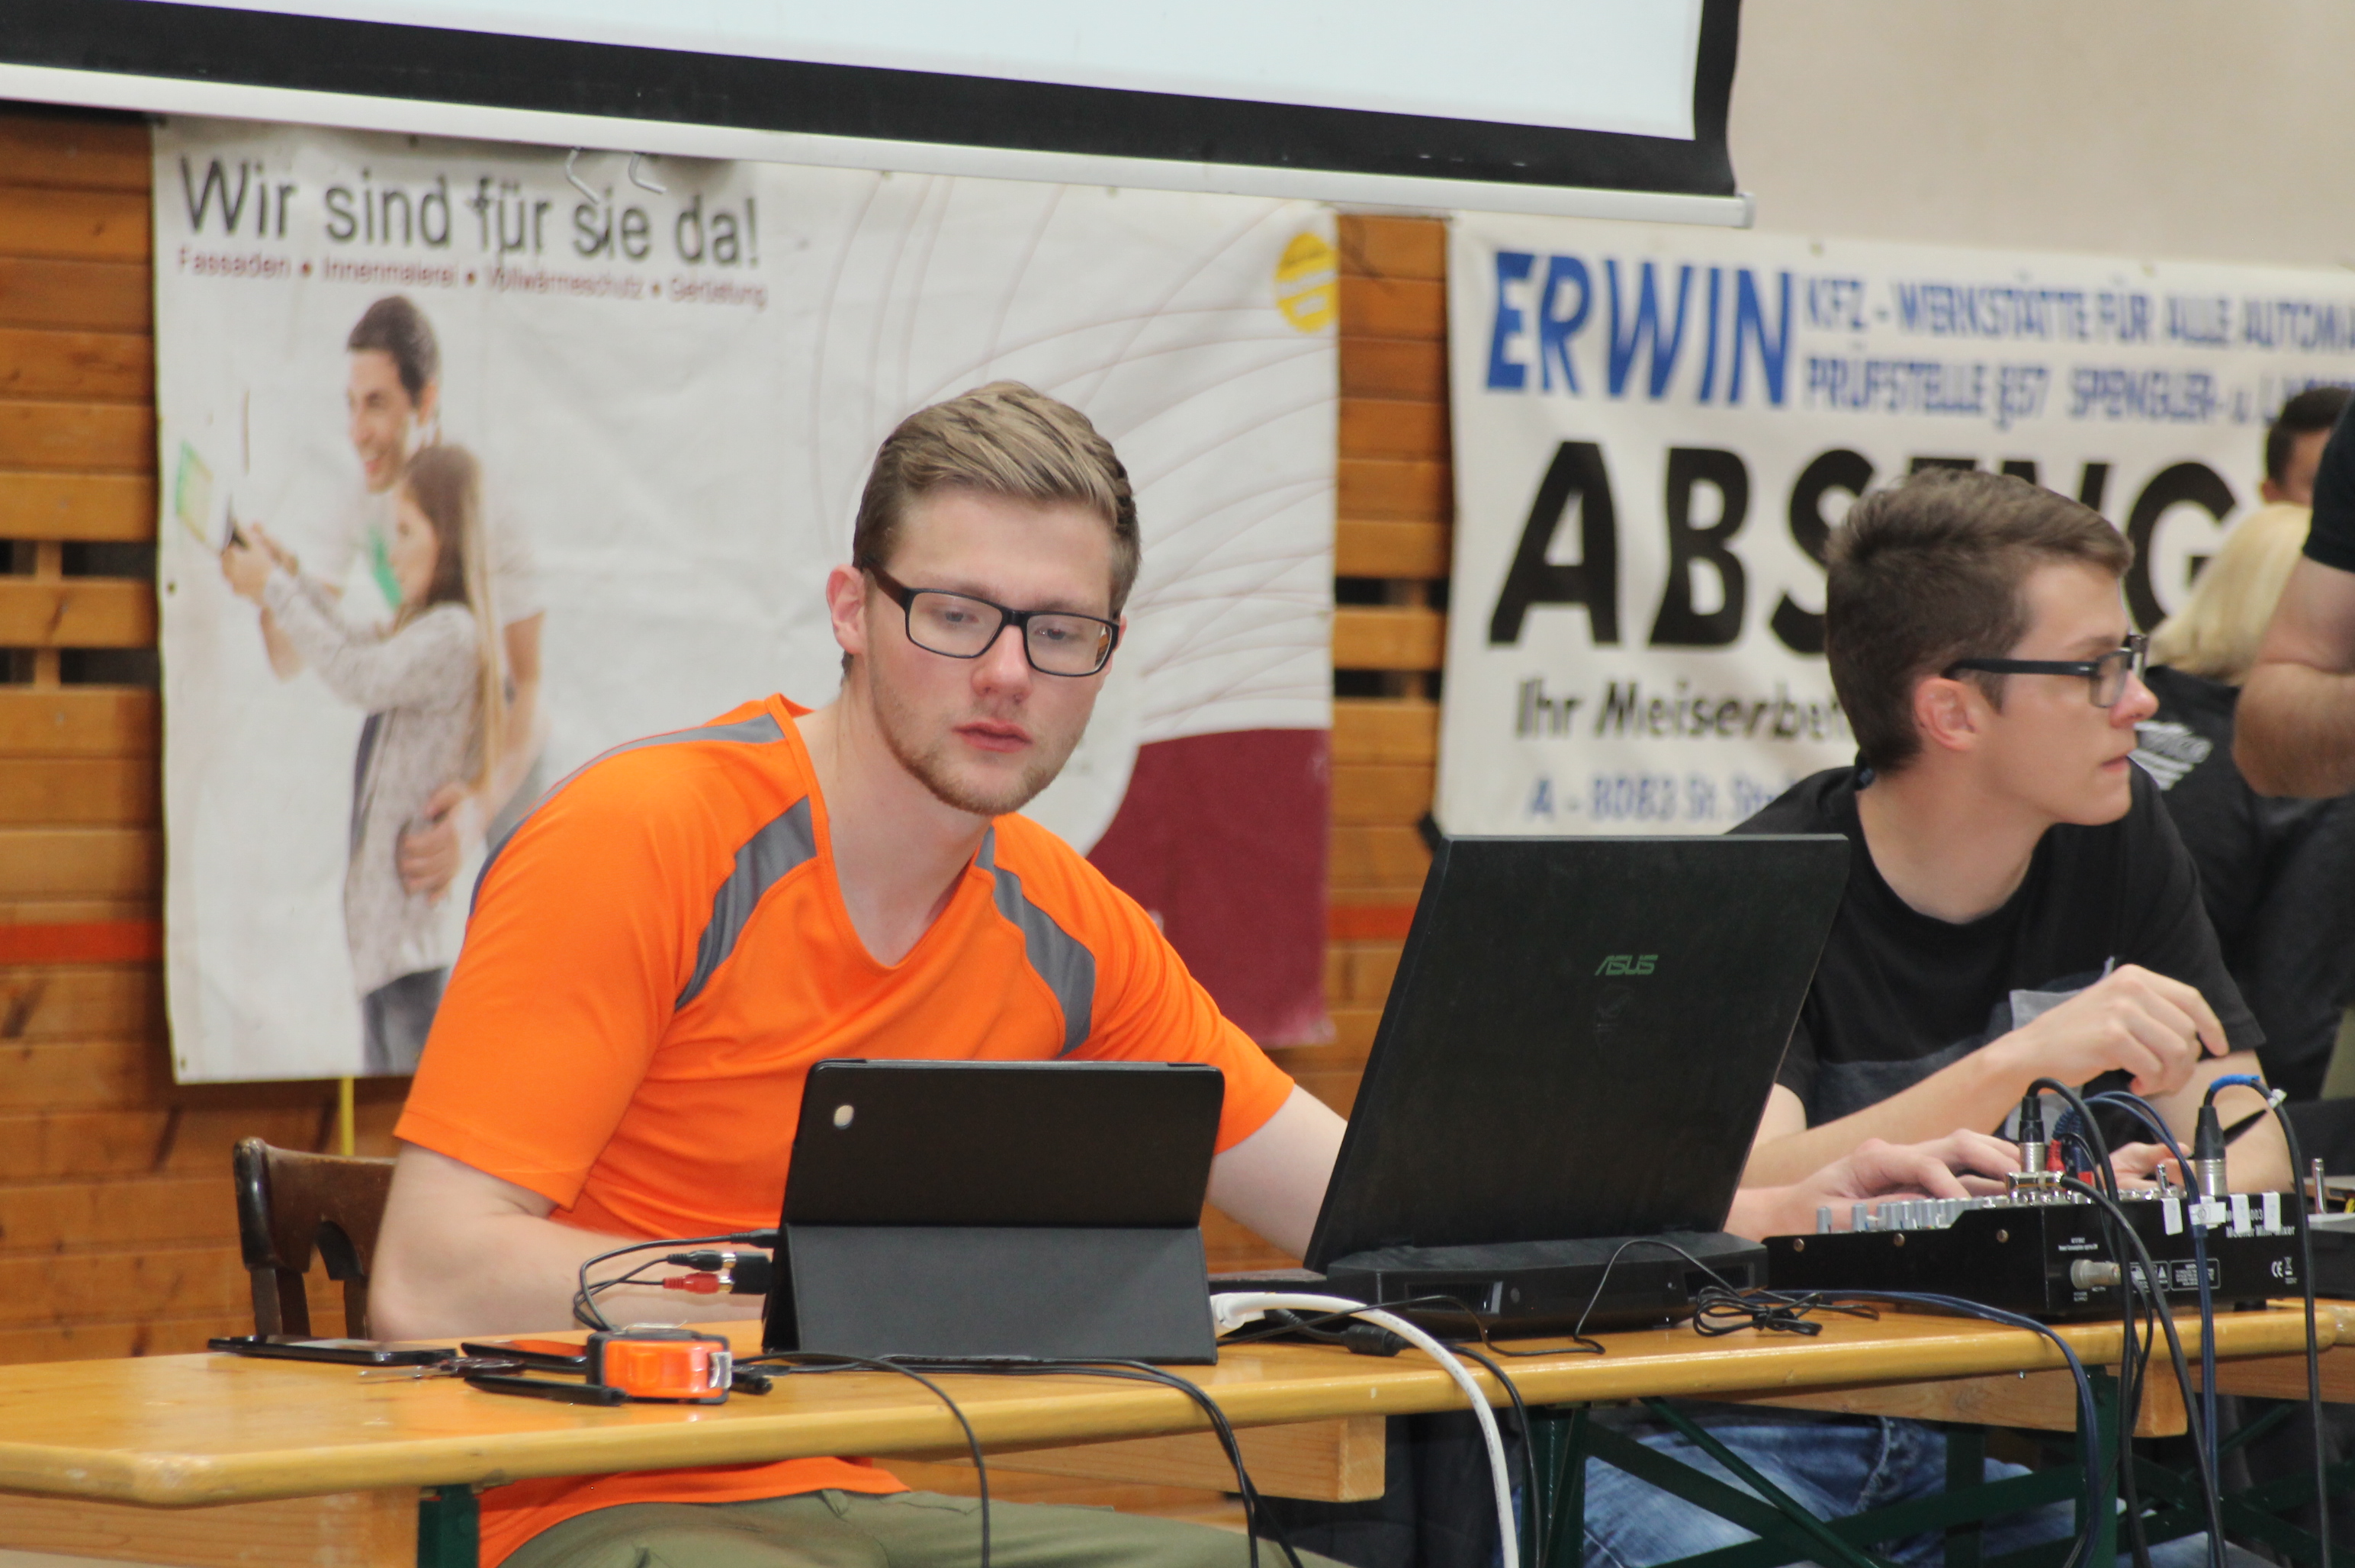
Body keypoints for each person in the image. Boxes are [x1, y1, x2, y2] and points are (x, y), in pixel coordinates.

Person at [370, 383, 1998, 1568]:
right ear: (851, 611)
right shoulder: (647, 835)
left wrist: (1775, 1209)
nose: (1007, 673)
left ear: (1108, 658)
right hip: (586, 1501)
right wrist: (814, 1299)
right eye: (956, 614)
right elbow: (430, 1279)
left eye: (1059, 631)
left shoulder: (1062, 919)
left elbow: (1371, 1211)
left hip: (869, 1498)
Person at [1579, 468, 2279, 1568]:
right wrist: (2019, 1063)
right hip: (1725, 1437)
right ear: (1950, 709)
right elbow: (1741, 1190)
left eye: (2131, 658)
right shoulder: (1762, 891)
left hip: (1985, 1435)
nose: (2140, 702)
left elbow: (2250, 1134)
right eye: (2095, 669)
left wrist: (2142, 1191)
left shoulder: (2120, 833)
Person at [255, 294, 548, 904]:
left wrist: (479, 810)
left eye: (378, 404)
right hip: (431, 742)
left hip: (502, 752)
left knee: (526, 921)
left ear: (427, 401)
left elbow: (530, 687)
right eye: (352, 405)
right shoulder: (363, 491)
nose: (358, 431)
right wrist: (275, 583)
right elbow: (289, 658)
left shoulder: (483, 498)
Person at [223, 445, 506, 1074]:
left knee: (409, 1121)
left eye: (405, 533)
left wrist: (274, 588)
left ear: (447, 539)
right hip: (385, 957)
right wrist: (288, 577)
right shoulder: (424, 630)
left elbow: (358, 674)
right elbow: (349, 639)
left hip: (410, 960)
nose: (392, 553)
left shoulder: (451, 635)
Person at [2139, 497, 2355, 1100]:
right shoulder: (2303, 768)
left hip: (2035, 1061)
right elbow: (2295, 1019)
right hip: (2190, 1098)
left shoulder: (2122, 715)